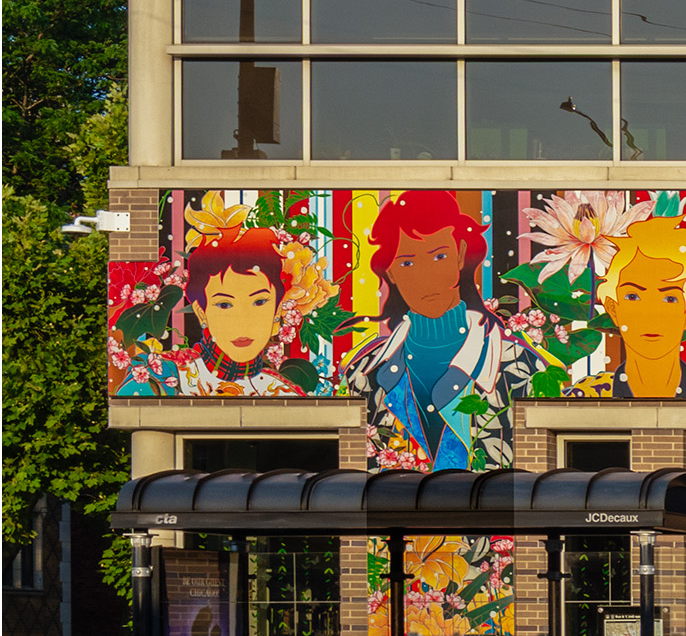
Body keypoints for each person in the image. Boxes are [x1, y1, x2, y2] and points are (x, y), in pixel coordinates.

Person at [342, 190, 544, 471]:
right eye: (407, 262)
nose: (426, 276)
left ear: (460, 255)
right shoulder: (364, 375)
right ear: (390, 273)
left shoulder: (520, 367)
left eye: (439, 256)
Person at [563, 215, 686, 398]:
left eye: (669, 298)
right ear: (613, 308)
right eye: (633, 296)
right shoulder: (586, 396)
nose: (651, 315)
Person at [118, 226, 306, 398]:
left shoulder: (286, 393)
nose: (242, 322)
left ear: (277, 310)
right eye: (224, 305)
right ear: (202, 313)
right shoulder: (159, 374)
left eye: (259, 302)